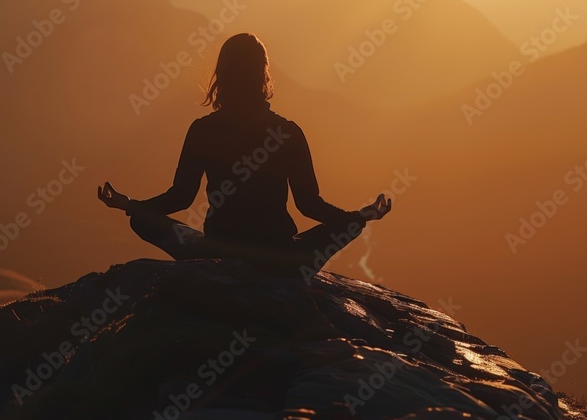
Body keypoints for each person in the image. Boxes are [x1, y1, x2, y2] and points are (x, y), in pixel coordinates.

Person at [97, 33, 391, 278]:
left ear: (222, 74)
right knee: (341, 229)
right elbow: (309, 205)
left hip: (217, 250)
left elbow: (181, 197)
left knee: (141, 220)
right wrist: (358, 217)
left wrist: (131, 205)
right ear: (263, 74)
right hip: (279, 256)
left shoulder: (203, 130)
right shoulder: (287, 132)